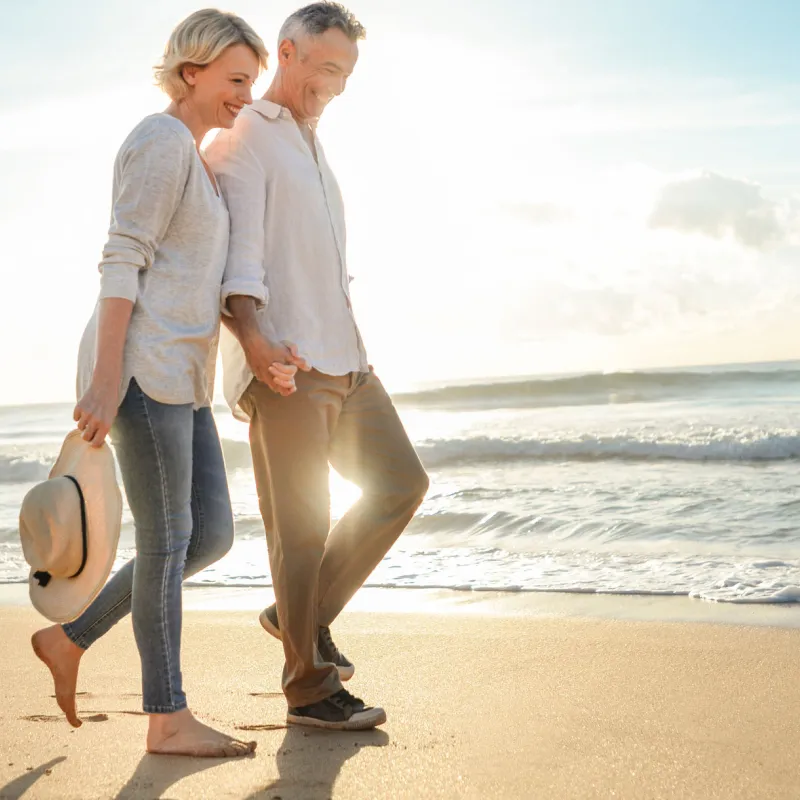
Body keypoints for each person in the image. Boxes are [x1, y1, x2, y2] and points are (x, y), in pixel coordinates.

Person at [30, 9, 296, 757]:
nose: (245, 95)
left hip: (184, 376)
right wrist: (108, 374)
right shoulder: (159, 140)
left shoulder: (198, 160)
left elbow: (195, 276)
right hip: (142, 370)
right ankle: (167, 717)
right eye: (235, 79)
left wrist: (260, 346)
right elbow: (123, 257)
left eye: (251, 81)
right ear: (191, 72)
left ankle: (70, 639)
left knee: (205, 534)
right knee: (171, 535)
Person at [206, 1, 430, 732]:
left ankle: (296, 616)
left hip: (347, 356)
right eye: (326, 68)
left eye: (346, 74)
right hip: (287, 363)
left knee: (402, 483)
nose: (334, 85)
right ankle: (307, 689)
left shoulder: (311, 142)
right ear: (289, 52)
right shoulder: (246, 136)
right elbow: (237, 257)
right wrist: (255, 339)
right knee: (299, 530)